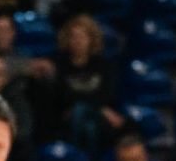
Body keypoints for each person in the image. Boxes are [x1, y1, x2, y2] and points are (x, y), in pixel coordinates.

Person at [39, 13, 124, 147]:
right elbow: (61, 96)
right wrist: (100, 108)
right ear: (67, 39)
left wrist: (89, 105)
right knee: (82, 117)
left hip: (97, 119)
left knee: (84, 117)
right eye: (73, 36)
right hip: (66, 118)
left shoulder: (103, 65)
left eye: (82, 36)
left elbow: (106, 94)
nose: (78, 41)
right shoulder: (59, 63)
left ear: (91, 39)